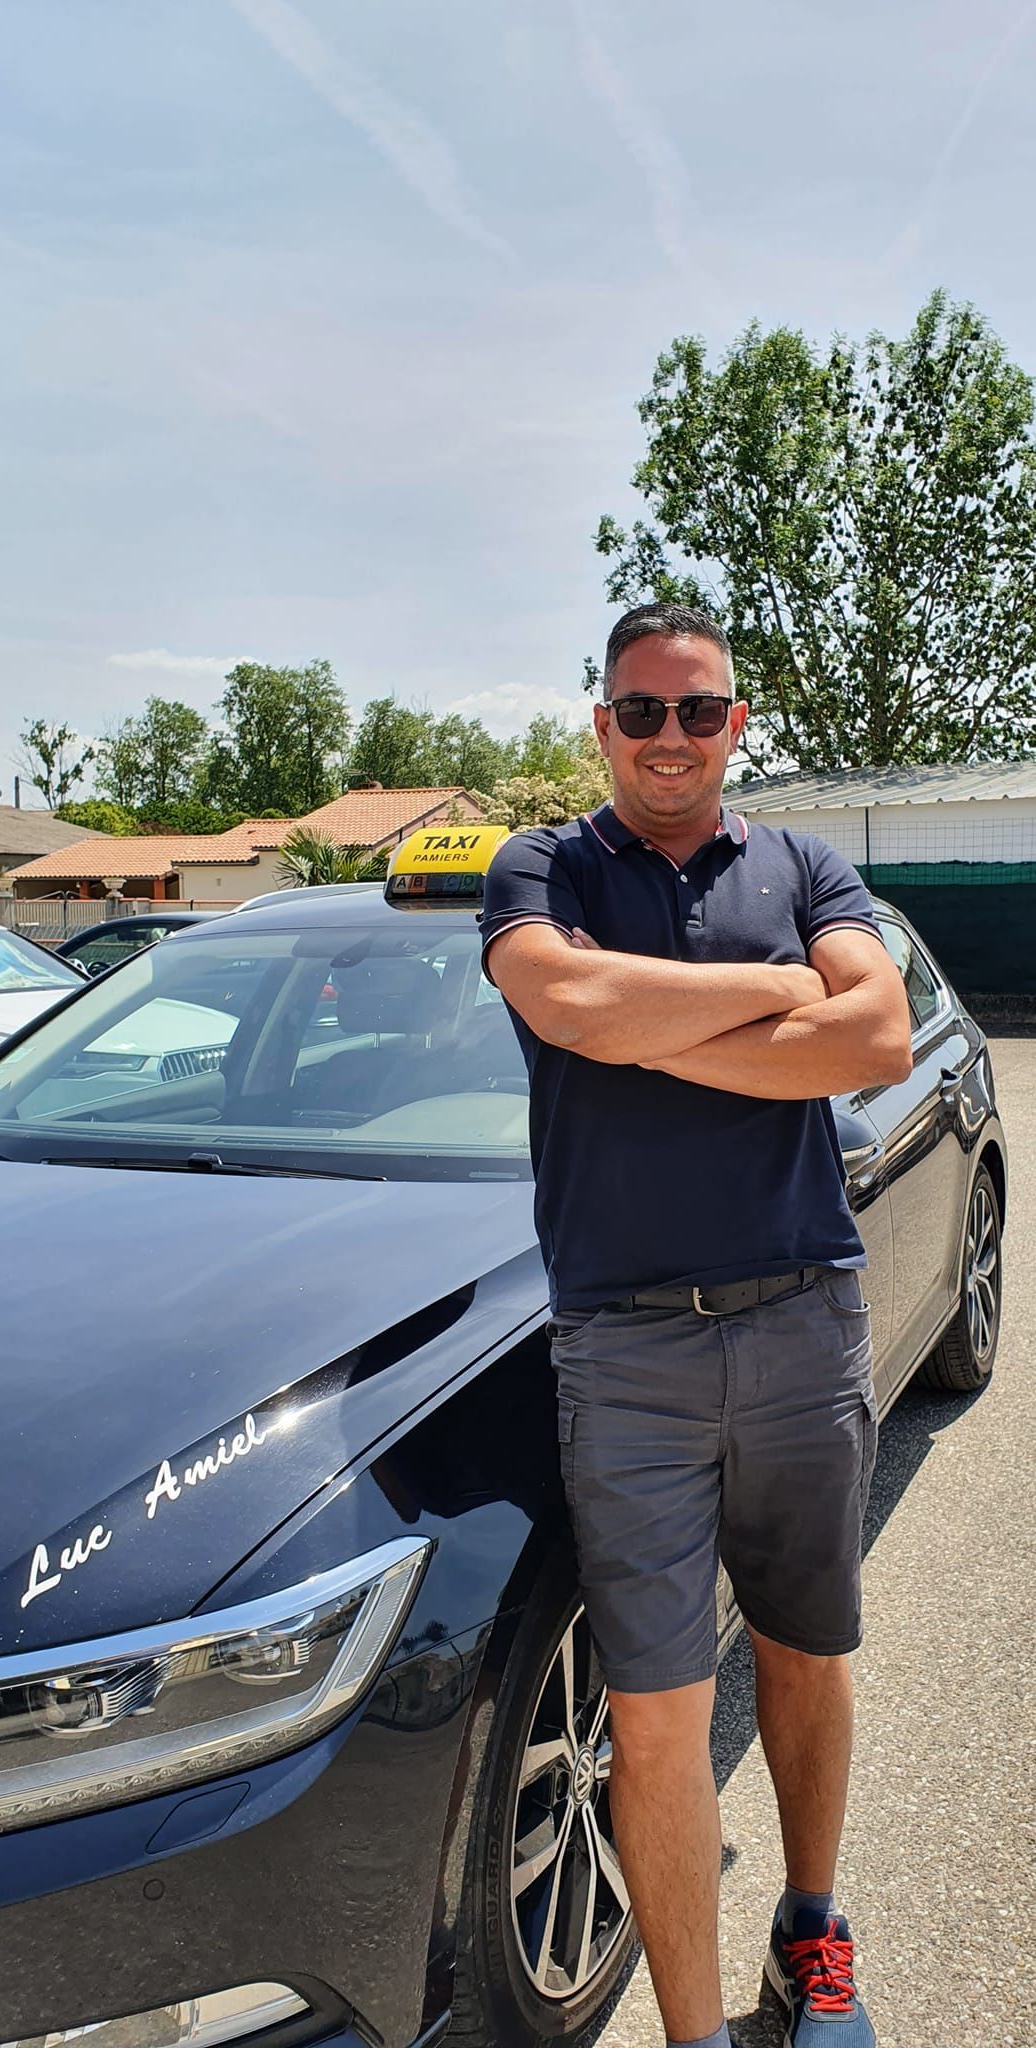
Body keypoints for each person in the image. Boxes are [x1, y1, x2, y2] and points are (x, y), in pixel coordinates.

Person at [480, 603, 912, 2048]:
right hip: (628, 1351)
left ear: (738, 724)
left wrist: (645, 1023)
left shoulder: (807, 862)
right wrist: (780, 993)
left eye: (700, 710)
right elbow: (569, 1002)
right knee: (658, 1713)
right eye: (643, 711)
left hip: (804, 1319)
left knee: (803, 1648)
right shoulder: (541, 865)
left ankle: (811, 1935)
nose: (673, 737)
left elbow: (877, 1040)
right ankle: (694, 2037)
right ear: (601, 722)